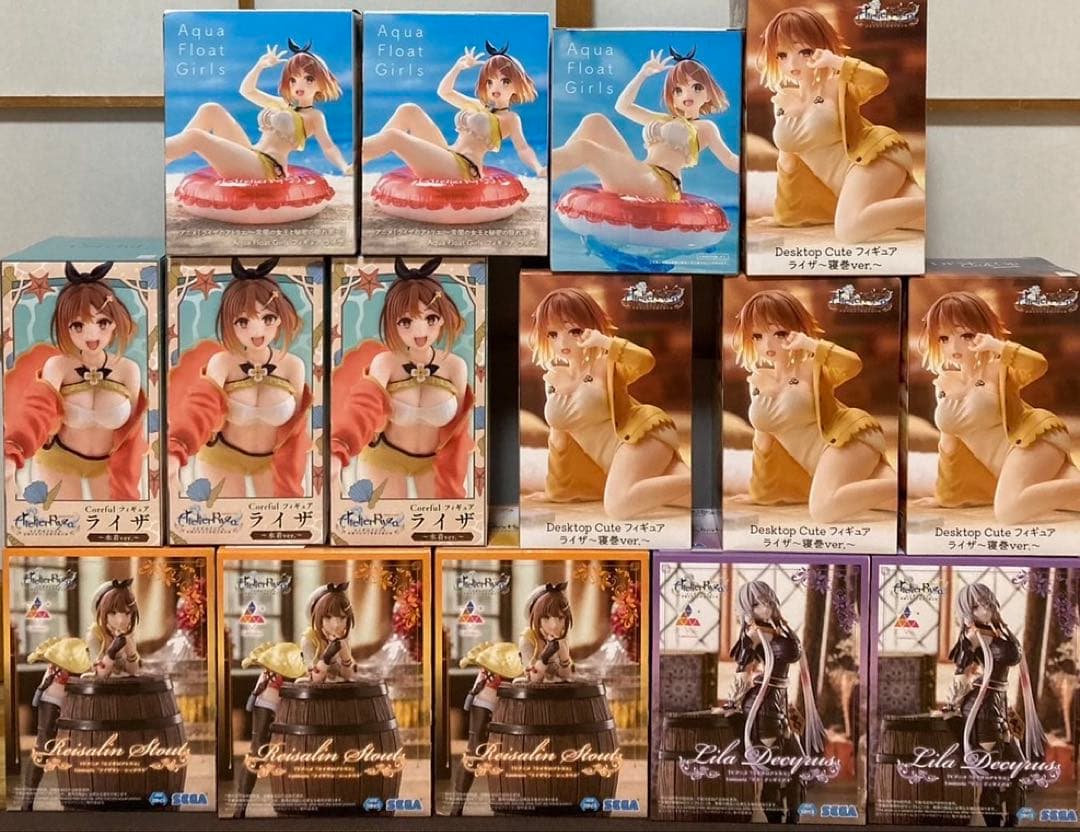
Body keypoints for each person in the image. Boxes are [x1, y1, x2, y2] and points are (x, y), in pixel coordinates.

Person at [755, 7, 925, 243]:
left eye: (804, 51)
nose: (792, 62)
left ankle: (936, 204)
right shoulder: (781, 101)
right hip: (852, 184)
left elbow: (878, 81)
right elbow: (787, 164)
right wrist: (785, 216)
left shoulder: (835, 84)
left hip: (872, 159)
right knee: (931, 223)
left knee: (849, 230)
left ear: (821, 47)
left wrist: (836, 62)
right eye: (782, 55)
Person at [730, 289, 896, 523]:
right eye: (757, 335)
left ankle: (901, 485)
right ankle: (901, 486)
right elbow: (763, 442)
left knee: (823, 510)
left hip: (846, 439)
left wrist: (811, 345)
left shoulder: (810, 368)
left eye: (779, 333)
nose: (768, 343)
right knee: (891, 504)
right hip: (825, 464)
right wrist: (759, 494)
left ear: (795, 330)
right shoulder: (757, 381)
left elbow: (853, 365)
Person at [528, 287, 690, 520]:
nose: (562, 341)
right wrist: (556, 492)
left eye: (574, 330)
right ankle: (704, 482)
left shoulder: (604, 364)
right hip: (620, 461)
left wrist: (605, 342)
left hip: (640, 436)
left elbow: (645, 361)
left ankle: (700, 480)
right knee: (694, 499)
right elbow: (558, 441)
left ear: (590, 327)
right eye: (552, 334)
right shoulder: (552, 379)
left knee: (618, 506)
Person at [917, 291, 1080, 523]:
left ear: (983, 331)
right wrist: (946, 497)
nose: (954, 346)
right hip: (1011, 467)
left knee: (1008, 511)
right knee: (1072, 503)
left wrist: (999, 346)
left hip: (1033, 441)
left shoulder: (997, 369)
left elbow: (1038, 366)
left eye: (966, 335)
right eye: (944, 338)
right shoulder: (943, 383)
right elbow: (948, 445)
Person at [168, 257, 312, 499]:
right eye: (243, 321)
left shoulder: (292, 365)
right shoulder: (222, 363)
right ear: (229, 323)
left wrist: (294, 475)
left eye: (268, 319)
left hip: (274, 461)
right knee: (226, 518)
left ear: (281, 317)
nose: (257, 331)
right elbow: (200, 409)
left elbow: (295, 431)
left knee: (274, 519)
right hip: (222, 457)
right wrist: (177, 449)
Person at [331, 257, 474, 499]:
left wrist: (455, 480)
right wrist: (340, 448)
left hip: (435, 462)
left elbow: (458, 433)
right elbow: (364, 407)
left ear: (443, 318)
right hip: (384, 457)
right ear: (392, 323)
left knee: (437, 518)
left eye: (430, 319)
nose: (420, 331)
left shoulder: (455, 366)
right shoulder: (385, 363)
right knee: (385, 520)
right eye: (406, 321)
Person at [4, 261, 146, 501]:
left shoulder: (128, 370)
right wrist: (14, 451)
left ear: (115, 322)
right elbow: (37, 410)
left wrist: (130, 479)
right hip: (59, 458)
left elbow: (132, 433)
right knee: (67, 520)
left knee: (112, 519)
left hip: (110, 464)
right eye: (78, 325)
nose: (91, 335)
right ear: (65, 327)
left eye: (102, 323)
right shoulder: (58, 366)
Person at [552, 46, 739, 201]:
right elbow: (623, 106)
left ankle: (547, 171)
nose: (687, 94)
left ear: (708, 95)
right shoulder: (662, 119)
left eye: (696, 88)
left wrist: (750, 169)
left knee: (585, 149)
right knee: (594, 121)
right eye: (678, 90)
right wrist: (642, 75)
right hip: (642, 173)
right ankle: (554, 172)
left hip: (663, 184)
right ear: (672, 99)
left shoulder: (705, 128)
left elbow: (730, 159)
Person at [166, 38, 352, 180]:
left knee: (195, 137)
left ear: (321, 83)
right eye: (293, 79)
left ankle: (158, 155)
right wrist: (260, 66)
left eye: (308, 79)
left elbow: (328, 147)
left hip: (268, 169)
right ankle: (166, 159)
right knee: (210, 109)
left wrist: (345, 167)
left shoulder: (315, 116)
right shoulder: (282, 104)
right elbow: (247, 91)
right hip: (251, 154)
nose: (299, 85)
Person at [363, 41, 546, 181]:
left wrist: (538, 168)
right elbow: (445, 92)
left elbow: (523, 148)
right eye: (490, 81)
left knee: (394, 137)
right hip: (448, 155)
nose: (495, 87)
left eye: (504, 81)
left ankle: (359, 151)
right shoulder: (479, 105)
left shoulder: (511, 118)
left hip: (464, 169)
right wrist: (458, 68)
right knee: (408, 110)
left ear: (517, 85)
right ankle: (360, 161)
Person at [944, 583, 1045, 827]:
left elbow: (1011, 659)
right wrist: (953, 703)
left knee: (1018, 768)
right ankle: (994, 824)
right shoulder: (972, 636)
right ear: (967, 610)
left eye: (987, 602)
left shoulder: (998, 630)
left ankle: (1011, 821)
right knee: (991, 774)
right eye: (976, 606)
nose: (984, 608)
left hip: (999, 702)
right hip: (982, 709)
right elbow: (960, 676)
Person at [725, 580, 825, 824]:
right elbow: (742, 673)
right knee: (772, 773)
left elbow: (785, 669)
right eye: (758, 604)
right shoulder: (753, 634)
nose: (765, 606)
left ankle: (793, 818)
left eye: (767, 600)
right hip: (762, 710)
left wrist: (789, 708)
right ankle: (776, 821)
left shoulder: (780, 629)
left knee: (798, 766)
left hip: (780, 704)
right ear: (748, 608)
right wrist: (733, 702)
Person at [448, 640, 523, 816]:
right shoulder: (503, 657)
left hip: (504, 702)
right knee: (475, 750)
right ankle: (457, 805)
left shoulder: (516, 655)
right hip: (485, 700)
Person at [233, 641, 307, 818]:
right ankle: (240, 807)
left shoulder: (299, 654)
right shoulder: (289, 655)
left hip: (286, 699)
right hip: (268, 698)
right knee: (257, 751)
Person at [21, 637, 92, 811]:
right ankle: (27, 800)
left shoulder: (85, 659)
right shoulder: (53, 673)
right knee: (43, 746)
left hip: (75, 700)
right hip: (52, 698)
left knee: (78, 747)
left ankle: (78, 796)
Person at [300, 582, 358, 683]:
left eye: (342, 618)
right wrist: (327, 656)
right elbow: (315, 679)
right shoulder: (309, 640)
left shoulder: (343, 636)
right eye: (328, 617)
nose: (336, 624)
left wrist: (345, 655)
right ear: (317, 616)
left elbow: (348, 676)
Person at [86, 578, 141, 678]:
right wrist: (112, 650)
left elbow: (133, 671)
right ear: (101, 613)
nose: (121, 621)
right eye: (113, 613)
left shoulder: (128, 634)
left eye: (127, 613)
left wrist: (131, 653)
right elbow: (100, 673)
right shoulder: (95, 635)